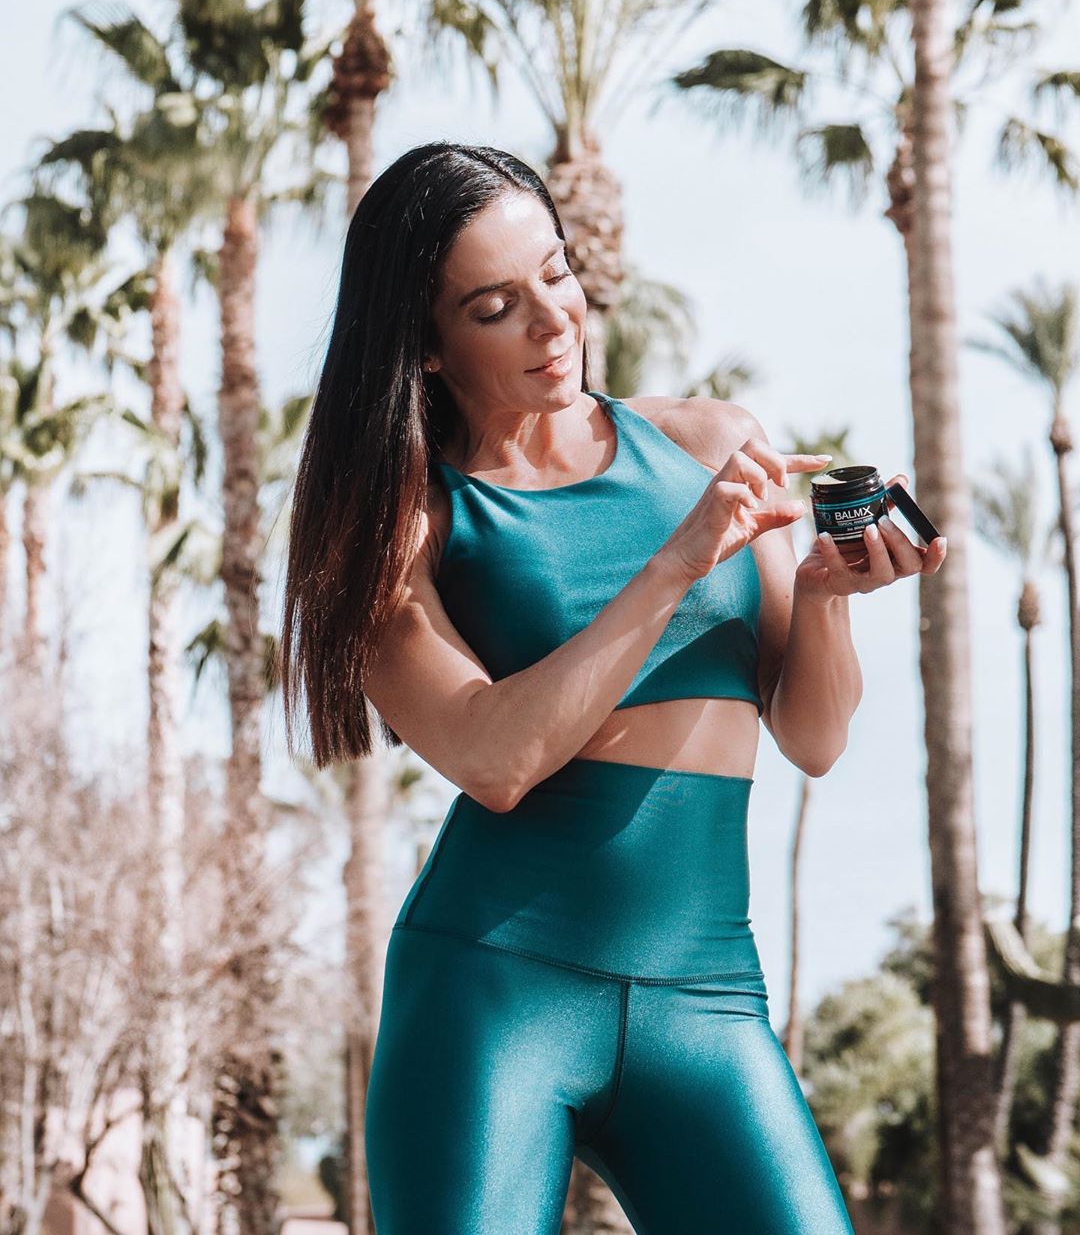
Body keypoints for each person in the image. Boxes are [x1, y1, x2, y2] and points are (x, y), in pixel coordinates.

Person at [280, 141, 947, 1234]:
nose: (553, 320)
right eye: (495, 306)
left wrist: (825, 595)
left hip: (708, 995)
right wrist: (678, 561)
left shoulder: (712, 443)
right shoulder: (403, 525)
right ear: (428, 346)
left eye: (556, 272)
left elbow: (814, 738)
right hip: (495, 989)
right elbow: (494, 758)